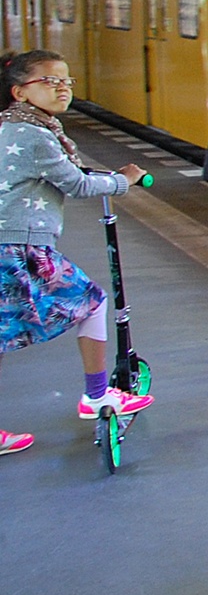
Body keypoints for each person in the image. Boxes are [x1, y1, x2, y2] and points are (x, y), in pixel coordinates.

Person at [0, 50, 149, 457]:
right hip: (19, 245)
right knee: (92, 302)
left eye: (66, 81)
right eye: (49, 81)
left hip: (11, 240)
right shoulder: (32, 135)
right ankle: (98, 396)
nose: (62, 87)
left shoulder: (16, 127)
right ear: (19, 91)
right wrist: (122, 182)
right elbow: (76, 185)